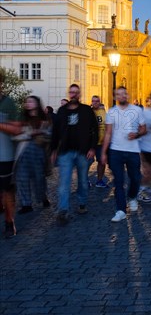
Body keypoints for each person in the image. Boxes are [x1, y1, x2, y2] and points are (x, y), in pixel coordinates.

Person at [51, 84, 98, 225]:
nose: (73, 94)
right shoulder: (62, 111)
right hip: (65, 152)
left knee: (83, 181)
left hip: (83, 151)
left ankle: (82, 203)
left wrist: (93, 148)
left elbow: (94, 130)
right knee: (64, 182)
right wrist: (53, 149)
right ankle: (63, 210)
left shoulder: (86, 110)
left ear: (80, 94)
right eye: (71, 92)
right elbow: (55, 132)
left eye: (76, 92)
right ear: (69, 93)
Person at [101, 87, 146, 222]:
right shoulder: (112, 112)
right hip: (116, 151)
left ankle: (132, 197)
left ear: (127, 95)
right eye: (118, 94)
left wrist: (137, 134)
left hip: (133, 150)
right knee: (118, 181)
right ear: (115, 97)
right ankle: (120, 210)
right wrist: (103, 152)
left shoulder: (137, 110)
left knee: (136, 178)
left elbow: (144, 128)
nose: (121, 96)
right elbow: (108, 133)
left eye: (123, 94)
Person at [15, 96, 51, 213]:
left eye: (31, 101)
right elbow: (16, 134)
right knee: (22, 178)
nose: (28, 104)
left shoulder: (44, 119)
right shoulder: (22, 118)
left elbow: (49, 135)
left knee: (39, 178)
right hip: (23, 152)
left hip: (38, 153)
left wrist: (40, 132)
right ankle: (26, 204)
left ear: (37, 104)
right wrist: (28, 134)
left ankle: (43, 198)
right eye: (27, 102)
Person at [0, 69, 22, 238]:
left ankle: (9, 222)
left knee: (7, 191)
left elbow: (16, 129)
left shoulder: (8, 103)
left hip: (4, 156)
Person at [90, 95, 108, 188]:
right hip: (90, 143)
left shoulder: (104, 112)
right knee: (87, 162)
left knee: (102, 162)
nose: (95, 103)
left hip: (101, 143)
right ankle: (85, 180)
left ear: (100, 102)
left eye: (97, 101)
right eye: (94, 101)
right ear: (91, 102)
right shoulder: (88, 112)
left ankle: (99, 180)